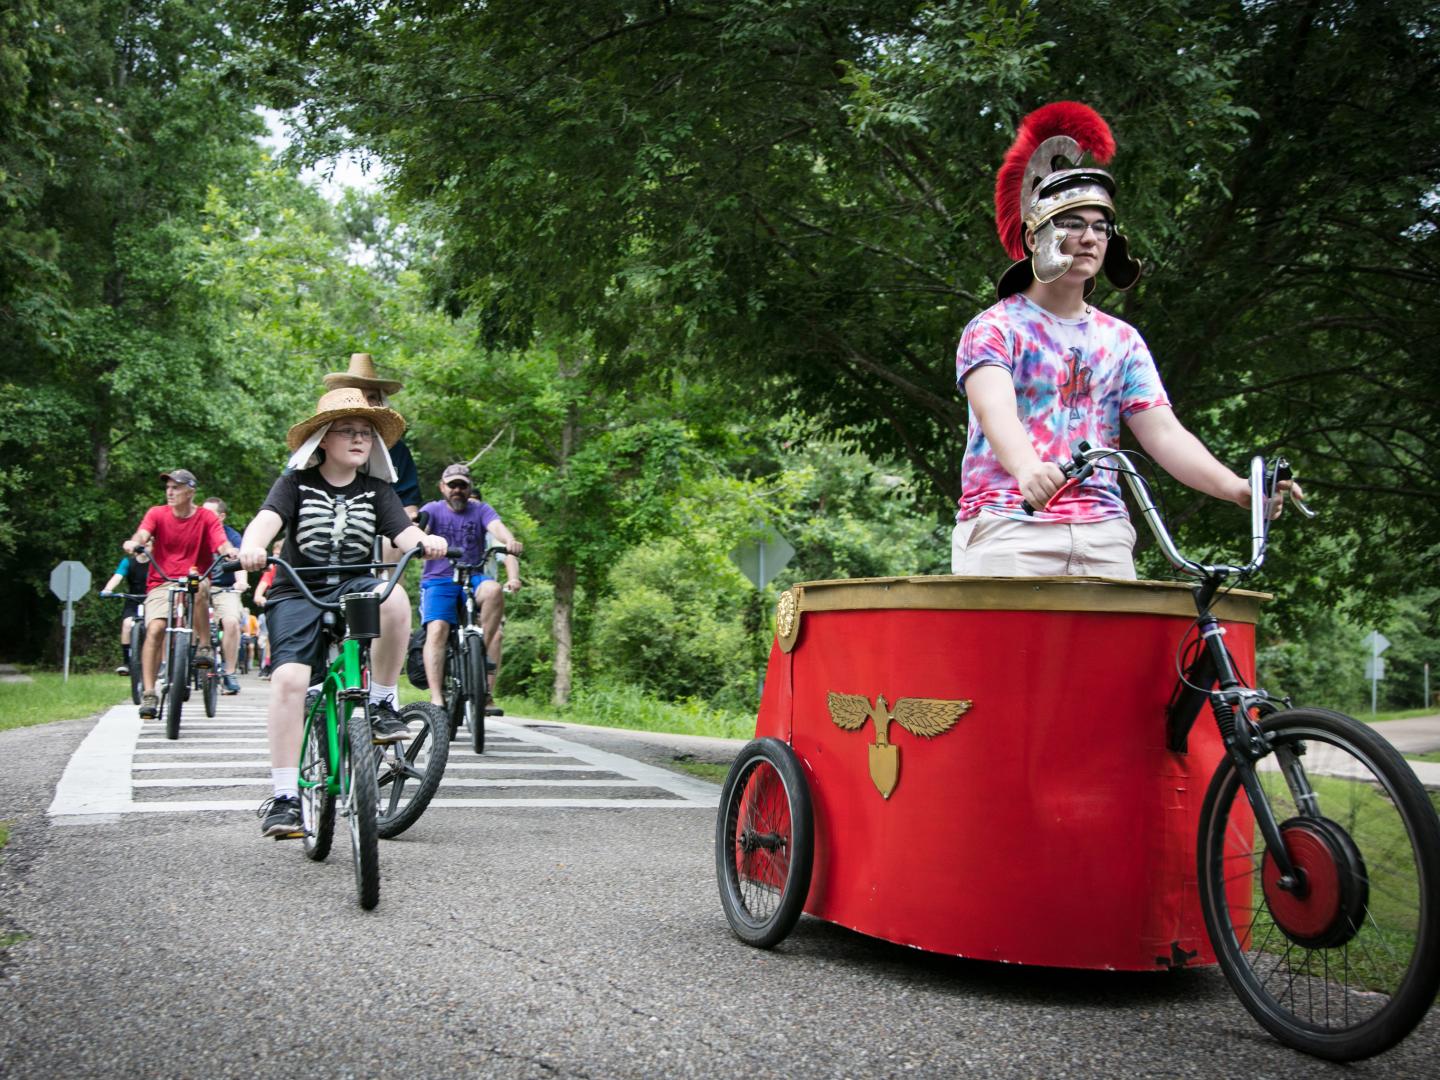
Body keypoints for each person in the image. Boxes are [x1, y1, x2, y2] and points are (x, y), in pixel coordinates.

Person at [953, 101, 1298, 578]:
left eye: (1100, 227)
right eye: (1072, 224)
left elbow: (1163, 433)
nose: (1089, 238)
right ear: (1036, 238)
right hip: (1012, 525)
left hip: (1105, 532)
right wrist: (1029, 469)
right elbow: (996, 412)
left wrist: (1235, 488)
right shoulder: (995, 328)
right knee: (1009, 655)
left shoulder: (1122, 340)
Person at [238, 388, 447, 838]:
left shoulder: (376, 490)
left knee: (392, 596)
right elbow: (266, 520)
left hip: (355, 586)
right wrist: (252, 546)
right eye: (347, 431)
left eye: (366, 434)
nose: (359, 439)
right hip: (298, 589)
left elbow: (404, 532)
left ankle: (382, 701)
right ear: (323, 440)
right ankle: (285, 798)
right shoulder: (294, 484)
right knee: (290, 680)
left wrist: (424, 544)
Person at [122, 470, 237, 719]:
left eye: (176, 487)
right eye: (168, 487)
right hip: (161, 580)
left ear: (191, 491)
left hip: (194, 576)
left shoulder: (206, 517)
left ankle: (204, 646)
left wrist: (229, 551)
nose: (170, 492)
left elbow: (220, 541)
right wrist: (135, 542)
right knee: (154, 629)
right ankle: (150, 693)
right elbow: (143, 533)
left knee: (201, 586)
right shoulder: (157, 513)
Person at [417, 463, 522, 709]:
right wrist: (419, 539)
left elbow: (496, 527)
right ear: (442, 487)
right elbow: (416, 530)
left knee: (494, 590)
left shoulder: (480, 510)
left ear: (469, 488)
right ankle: (436, 698)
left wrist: (510, 541)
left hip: (472, 575)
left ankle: (477, 659)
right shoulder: (432, 509)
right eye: (452, 485)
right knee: (438, 629)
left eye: (462, 486)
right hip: (438, 579)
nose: (457, 490)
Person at [322, 353, 422, 518]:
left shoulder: (397, 450)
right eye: (357, 395)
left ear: (381, 403)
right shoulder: (314, 446)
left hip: (385, 533)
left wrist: (411, 526)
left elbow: (408, 505)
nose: (365, 404)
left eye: (372, 397)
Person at [202, 497, 248, 694]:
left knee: (231, 622)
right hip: (199, 586)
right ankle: (177, 669)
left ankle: (229, 673)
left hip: (224, 589)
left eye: (209, 514)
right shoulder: (195, 532)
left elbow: (240, 562)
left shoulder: (232, 537)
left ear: (221, 516)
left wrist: (241, 581)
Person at [100, 547, 152, 676]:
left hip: (152, 599)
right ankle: (127, 662)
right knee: (127, 625)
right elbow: (117, 576)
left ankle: (162, 662)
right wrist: (108, 589)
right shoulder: (128, 562)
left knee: (156, 628)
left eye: (147, 544)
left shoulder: (156, 562)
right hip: (133, 599)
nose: (143, 549)